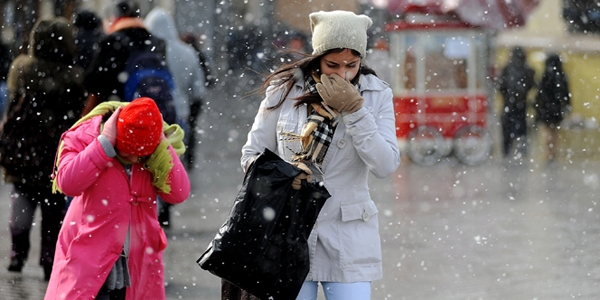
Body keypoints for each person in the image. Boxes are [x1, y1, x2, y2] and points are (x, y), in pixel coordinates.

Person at [238, 10, 400, 300]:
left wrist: (356, 112)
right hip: (288, 230)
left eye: (351, 65)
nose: (342, 74)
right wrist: (284, 176)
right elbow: (252, 154)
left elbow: (386, 165)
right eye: (332, 64)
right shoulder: (284, 91)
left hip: (349, 233)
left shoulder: (377, 94)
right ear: (317, 58)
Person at [44, 97, 191, 299]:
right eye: (127, 152)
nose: (133, 159)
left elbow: (179, 193)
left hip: (138, 261)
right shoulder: (85, 136)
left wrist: (161, 146)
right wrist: (103, 145)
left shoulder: (155, 152)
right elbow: (67, 183)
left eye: (140, 156)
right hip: (88, 254)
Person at [0, 17, 86, 280]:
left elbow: (14, 102)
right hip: (56, 152)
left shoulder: (22, 69)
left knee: (22, 203)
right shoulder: (74, 76)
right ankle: (49, 260)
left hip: (25, 150)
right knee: (53, 211)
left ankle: (17, 254)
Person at [81, 0, 169, 116]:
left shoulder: (111, 41)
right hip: (150, 115)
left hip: (118, 115)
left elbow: (94, 82)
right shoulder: (156, 42)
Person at [145, 7, 206, 167]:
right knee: (173, 168)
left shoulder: (144, 53)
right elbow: (198, 90)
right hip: (179, 114)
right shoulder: (187, 52)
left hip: (147, 117)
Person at [498, 46, 536, 159]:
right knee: (521, 125)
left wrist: (507, 96)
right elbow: (532, 85)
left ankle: (506, 149)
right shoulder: (528, 69)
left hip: (508, 103)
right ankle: (521, 148)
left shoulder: (506, 68)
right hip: (522, 103)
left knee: (507, 126)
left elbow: (500, 85)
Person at [534, 53, 571, 162]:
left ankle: (549, 151)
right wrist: (567, 105)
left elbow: (540, 93)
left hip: (546, 108)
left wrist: (537, 105)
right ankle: (553, 150)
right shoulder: (562, 75)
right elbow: (566, 93)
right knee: (555, 131)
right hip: (557, 108)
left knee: (548, 131)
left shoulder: (545, 75)